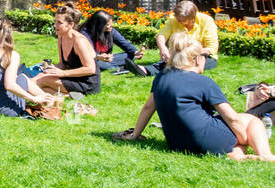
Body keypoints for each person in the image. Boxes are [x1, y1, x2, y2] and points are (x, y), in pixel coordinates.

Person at [115, 34, 274, 161]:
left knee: (234, 136)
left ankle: (238, 156)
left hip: (177, 143)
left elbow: (148, 108)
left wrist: (135, 135)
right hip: (205, 139)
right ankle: (266, 156)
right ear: (198, 59)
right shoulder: (204, 82)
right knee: (251, 120)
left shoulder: (161, 77)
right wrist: (245, 137)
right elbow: (232, 119)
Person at [34, 3, 101, 100]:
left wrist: (62, 73)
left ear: (71, 24)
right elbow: (63, 64)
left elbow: (90, 69)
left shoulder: (79, 41)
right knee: (41, 80)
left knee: (40, 81)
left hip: (87, 83)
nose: (55, 25)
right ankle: (68, 96)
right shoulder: (61, 37)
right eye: (55, 21)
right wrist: (51, 69)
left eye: (59, 22)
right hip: (72, 77)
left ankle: (20, 97)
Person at [145, 0, 219, 75]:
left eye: (182, 20)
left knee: (180, 62)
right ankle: (148, 70)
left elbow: (212, 48)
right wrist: (163, 48)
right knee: (177, 59)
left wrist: (188, 53)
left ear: (192, 18)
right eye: (177, 18)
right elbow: (161, 35)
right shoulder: (174, 19)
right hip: (179, 55)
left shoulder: (206, 21)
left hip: (203, 56)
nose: (178, 20)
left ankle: (148, 70)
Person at [79, 9, 147, 75]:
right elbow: (85, 52)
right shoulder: (85, 34)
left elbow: (123, 42)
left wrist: (135, 52)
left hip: (107, 59)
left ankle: (115, 66)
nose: (111, 26)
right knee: (99, 64)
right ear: (99, 25)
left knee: (132, 55)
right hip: (91, 60)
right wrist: (98, 57)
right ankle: (119, 68)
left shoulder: (111, 31)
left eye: (111, 23)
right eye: (108, 24)